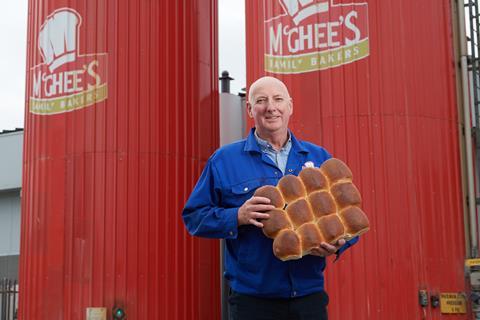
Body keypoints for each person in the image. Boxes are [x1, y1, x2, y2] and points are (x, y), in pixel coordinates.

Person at [182, 76, 358, 320]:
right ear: (250, 108)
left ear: (290, 106)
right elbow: (194, 216)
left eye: (278, 99)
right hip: (252, 302)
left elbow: (347, 214)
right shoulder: (224, 160)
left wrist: (341, 243)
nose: (271, 107)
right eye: (261, 101)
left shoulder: (319, 157)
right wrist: (237, 216)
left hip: (308, 299)